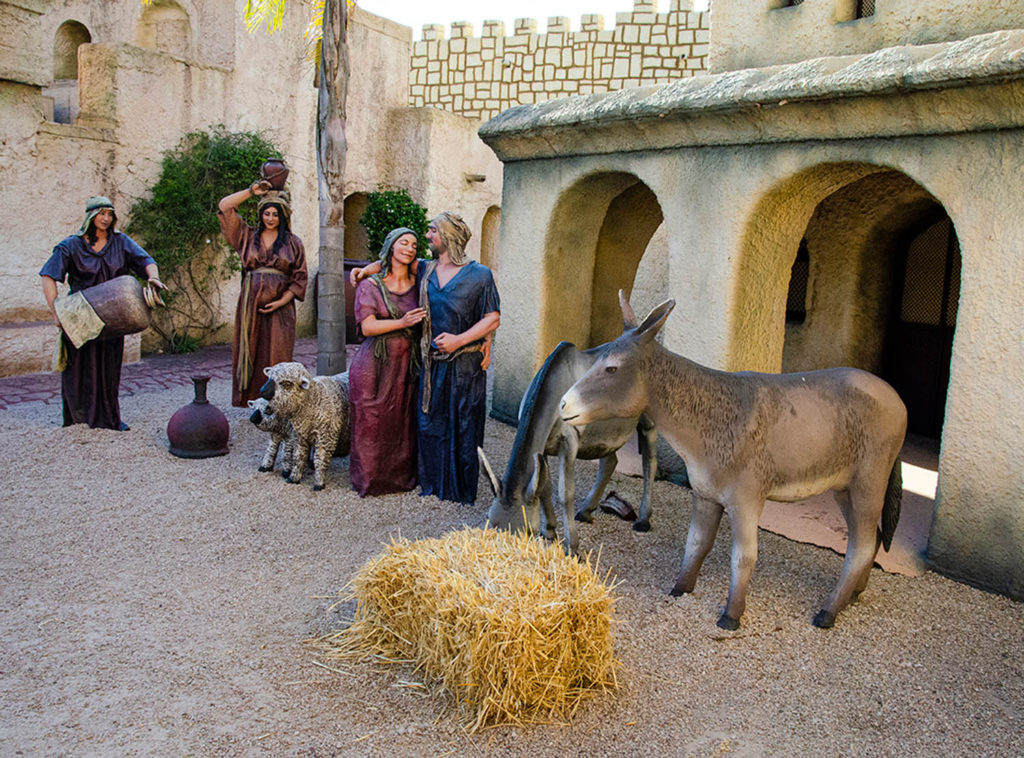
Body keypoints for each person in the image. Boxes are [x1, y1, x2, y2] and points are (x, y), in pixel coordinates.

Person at [40, 195, 167, 430]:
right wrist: (56, 312)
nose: (106, 218)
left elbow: (146, 260)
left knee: (109, 368)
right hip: (79, 315)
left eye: (110, 214)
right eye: (101, 213)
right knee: (78, 370)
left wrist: (154, 277)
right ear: (91, 216)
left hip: (113, 317)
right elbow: (48, 275)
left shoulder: (121, 242)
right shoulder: (71, 245)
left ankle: (108, 419)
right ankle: (77, 420)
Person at [417, 212, 500, 504]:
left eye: (432, 231)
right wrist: (364, 271)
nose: (428, 236)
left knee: (465, 425)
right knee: (431, 423)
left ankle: (461, 490)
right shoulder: (424, 270)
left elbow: (492, 319)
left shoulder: (480, 275)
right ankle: (433, 484)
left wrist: (460, 340)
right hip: (431, 365)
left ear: (449, 236)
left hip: (465, 366)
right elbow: (392, 262)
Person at [348, 228, 427, 496]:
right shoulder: (370, 285)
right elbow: (368, 327)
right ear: (391, 246)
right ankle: (369, 479)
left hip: (408, 364)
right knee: (372, 418)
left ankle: (401, 479)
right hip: (374, 364)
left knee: (403, 420)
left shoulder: (421, 284)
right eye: (403, 242)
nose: (410, 248)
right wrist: (403, 323)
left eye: (414, 244)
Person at [218, 180, 307, 407]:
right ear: (261, 215)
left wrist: (281, 302)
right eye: (266, 213)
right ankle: (252, 401)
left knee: (278, 352)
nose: (270, 218)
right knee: (251, 349)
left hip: (281, 307)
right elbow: (225, 206)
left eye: (275, 214)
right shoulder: (246, 236)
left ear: (283, 217)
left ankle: (278, 403)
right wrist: (251, 191)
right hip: (251, 302)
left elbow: (299, 278)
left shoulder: (293, 242)